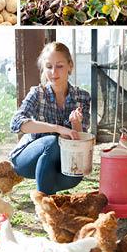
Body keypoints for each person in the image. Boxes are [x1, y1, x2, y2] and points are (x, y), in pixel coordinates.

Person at [9, 42, 91, 195]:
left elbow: (79, 139)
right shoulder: (37, 93)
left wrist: (76, 124)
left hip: (61, 161)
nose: (54, 72)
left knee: (75, 176)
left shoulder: (82, 97)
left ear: (70, 66)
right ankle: (44, 203)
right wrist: (57, 129)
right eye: (48, 66)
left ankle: (48, 196)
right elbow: (16, 122)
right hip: (28, 159)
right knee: (52, 141)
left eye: (59, 66)